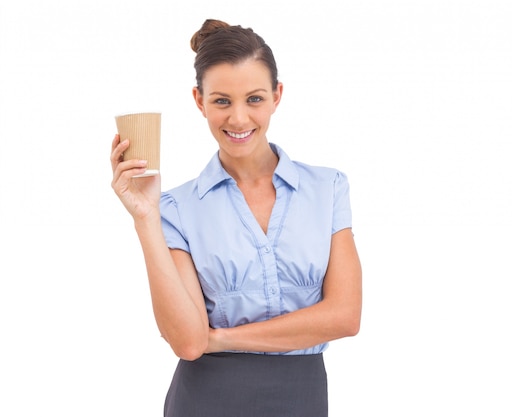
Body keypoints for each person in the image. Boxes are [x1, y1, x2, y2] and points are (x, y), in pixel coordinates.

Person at [110, 18, 362, 417]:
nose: (239, 119)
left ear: (278, 96)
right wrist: (145, 217)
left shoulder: (327, 189)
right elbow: (189, 343)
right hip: (205, 399)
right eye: (222, 101)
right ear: (199, 100)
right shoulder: (176, 208)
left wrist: (222, 337)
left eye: (255, 99)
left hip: (303, 397)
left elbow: (345, 316)